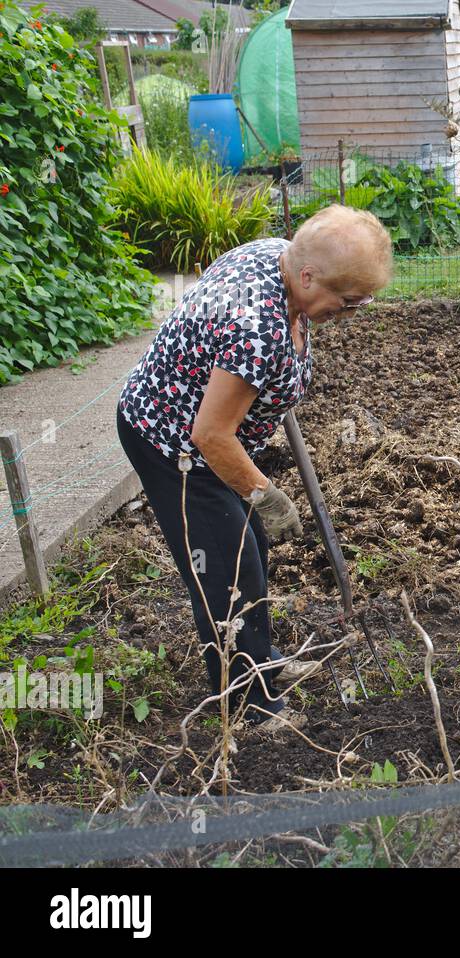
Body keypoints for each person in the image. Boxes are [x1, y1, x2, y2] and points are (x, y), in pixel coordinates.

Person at [117, 206, 393, 732]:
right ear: (308, 275)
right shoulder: (257, 329)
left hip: (203, 428)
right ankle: (247, 705)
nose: (353, 310)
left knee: (251, 550)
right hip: (173, 444)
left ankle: (261, 658)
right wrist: (265, 495)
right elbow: (210, 435)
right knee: (225, 566)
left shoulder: (277, 255)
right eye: (347, 300)